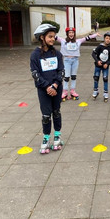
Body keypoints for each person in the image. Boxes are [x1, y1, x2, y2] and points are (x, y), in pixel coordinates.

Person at [30, 24, 65, 154]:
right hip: (43, 90)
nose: (52, 39)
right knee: (46, 115)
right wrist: (47, 87)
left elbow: (61, 71)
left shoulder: (57, 53)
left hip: (57, 88)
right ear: (41, 37)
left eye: (53, 37)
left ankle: (57, 135)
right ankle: (46, 138)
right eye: (49, 37)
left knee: (56, 112)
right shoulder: (35, 55)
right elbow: (35, 74)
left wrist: (55, 85)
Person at [55, 27, 100, 101]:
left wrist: (95, 35)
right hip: (67, 60)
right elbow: (55, 37)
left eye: (72, 33)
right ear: (67, 34)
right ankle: (65, 92)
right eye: (69, 33)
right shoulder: (63, 41)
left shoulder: (78, 41)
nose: (71, 34)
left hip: (75, 60)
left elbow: (87, 38)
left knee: (73, 76)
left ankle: (72, 91)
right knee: (66, 77)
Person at [92, 32, 110, 102]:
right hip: (98, 66)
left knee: (105, 79)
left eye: (109, 39)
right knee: (96, 78)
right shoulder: (100, 46)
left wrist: (108, 64)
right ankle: (95, 90)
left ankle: (106, 93)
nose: (108, 40)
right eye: (106, 38)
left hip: (105, 67)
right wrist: (97, 61)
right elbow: (93, 53)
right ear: (104, 39)